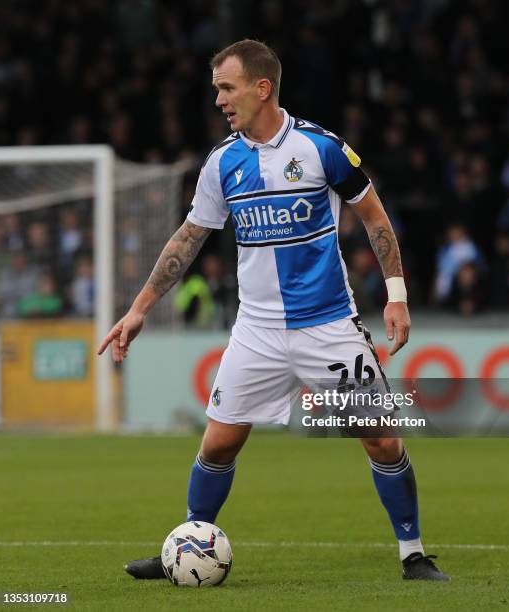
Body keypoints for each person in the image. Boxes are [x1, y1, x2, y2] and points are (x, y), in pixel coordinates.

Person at [98, 39, 449, 582]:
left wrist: (396, 297)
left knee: (381, 437)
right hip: (256, 330)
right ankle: (189, 545)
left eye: (226, 87)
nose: (218, 100)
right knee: (218, 441)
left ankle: (414, 555)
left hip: (328, 323)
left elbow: (376, 220)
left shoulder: (320, 148)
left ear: (262, 88)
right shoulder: (222, 162)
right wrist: (140, 307)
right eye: (216, 89)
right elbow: (188, 239)